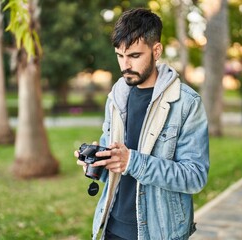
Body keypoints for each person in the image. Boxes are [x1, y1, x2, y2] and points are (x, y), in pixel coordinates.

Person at [75, 8, 209, 240]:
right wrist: (97, 162)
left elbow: (194, 177)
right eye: (119, 55)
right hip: (112, 227)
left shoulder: (187, 103)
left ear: (156, 51)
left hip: (160, 232)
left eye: (134, 56)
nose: (125, 65)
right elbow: (116, 165)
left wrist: (132, 162)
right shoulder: (116, 96)